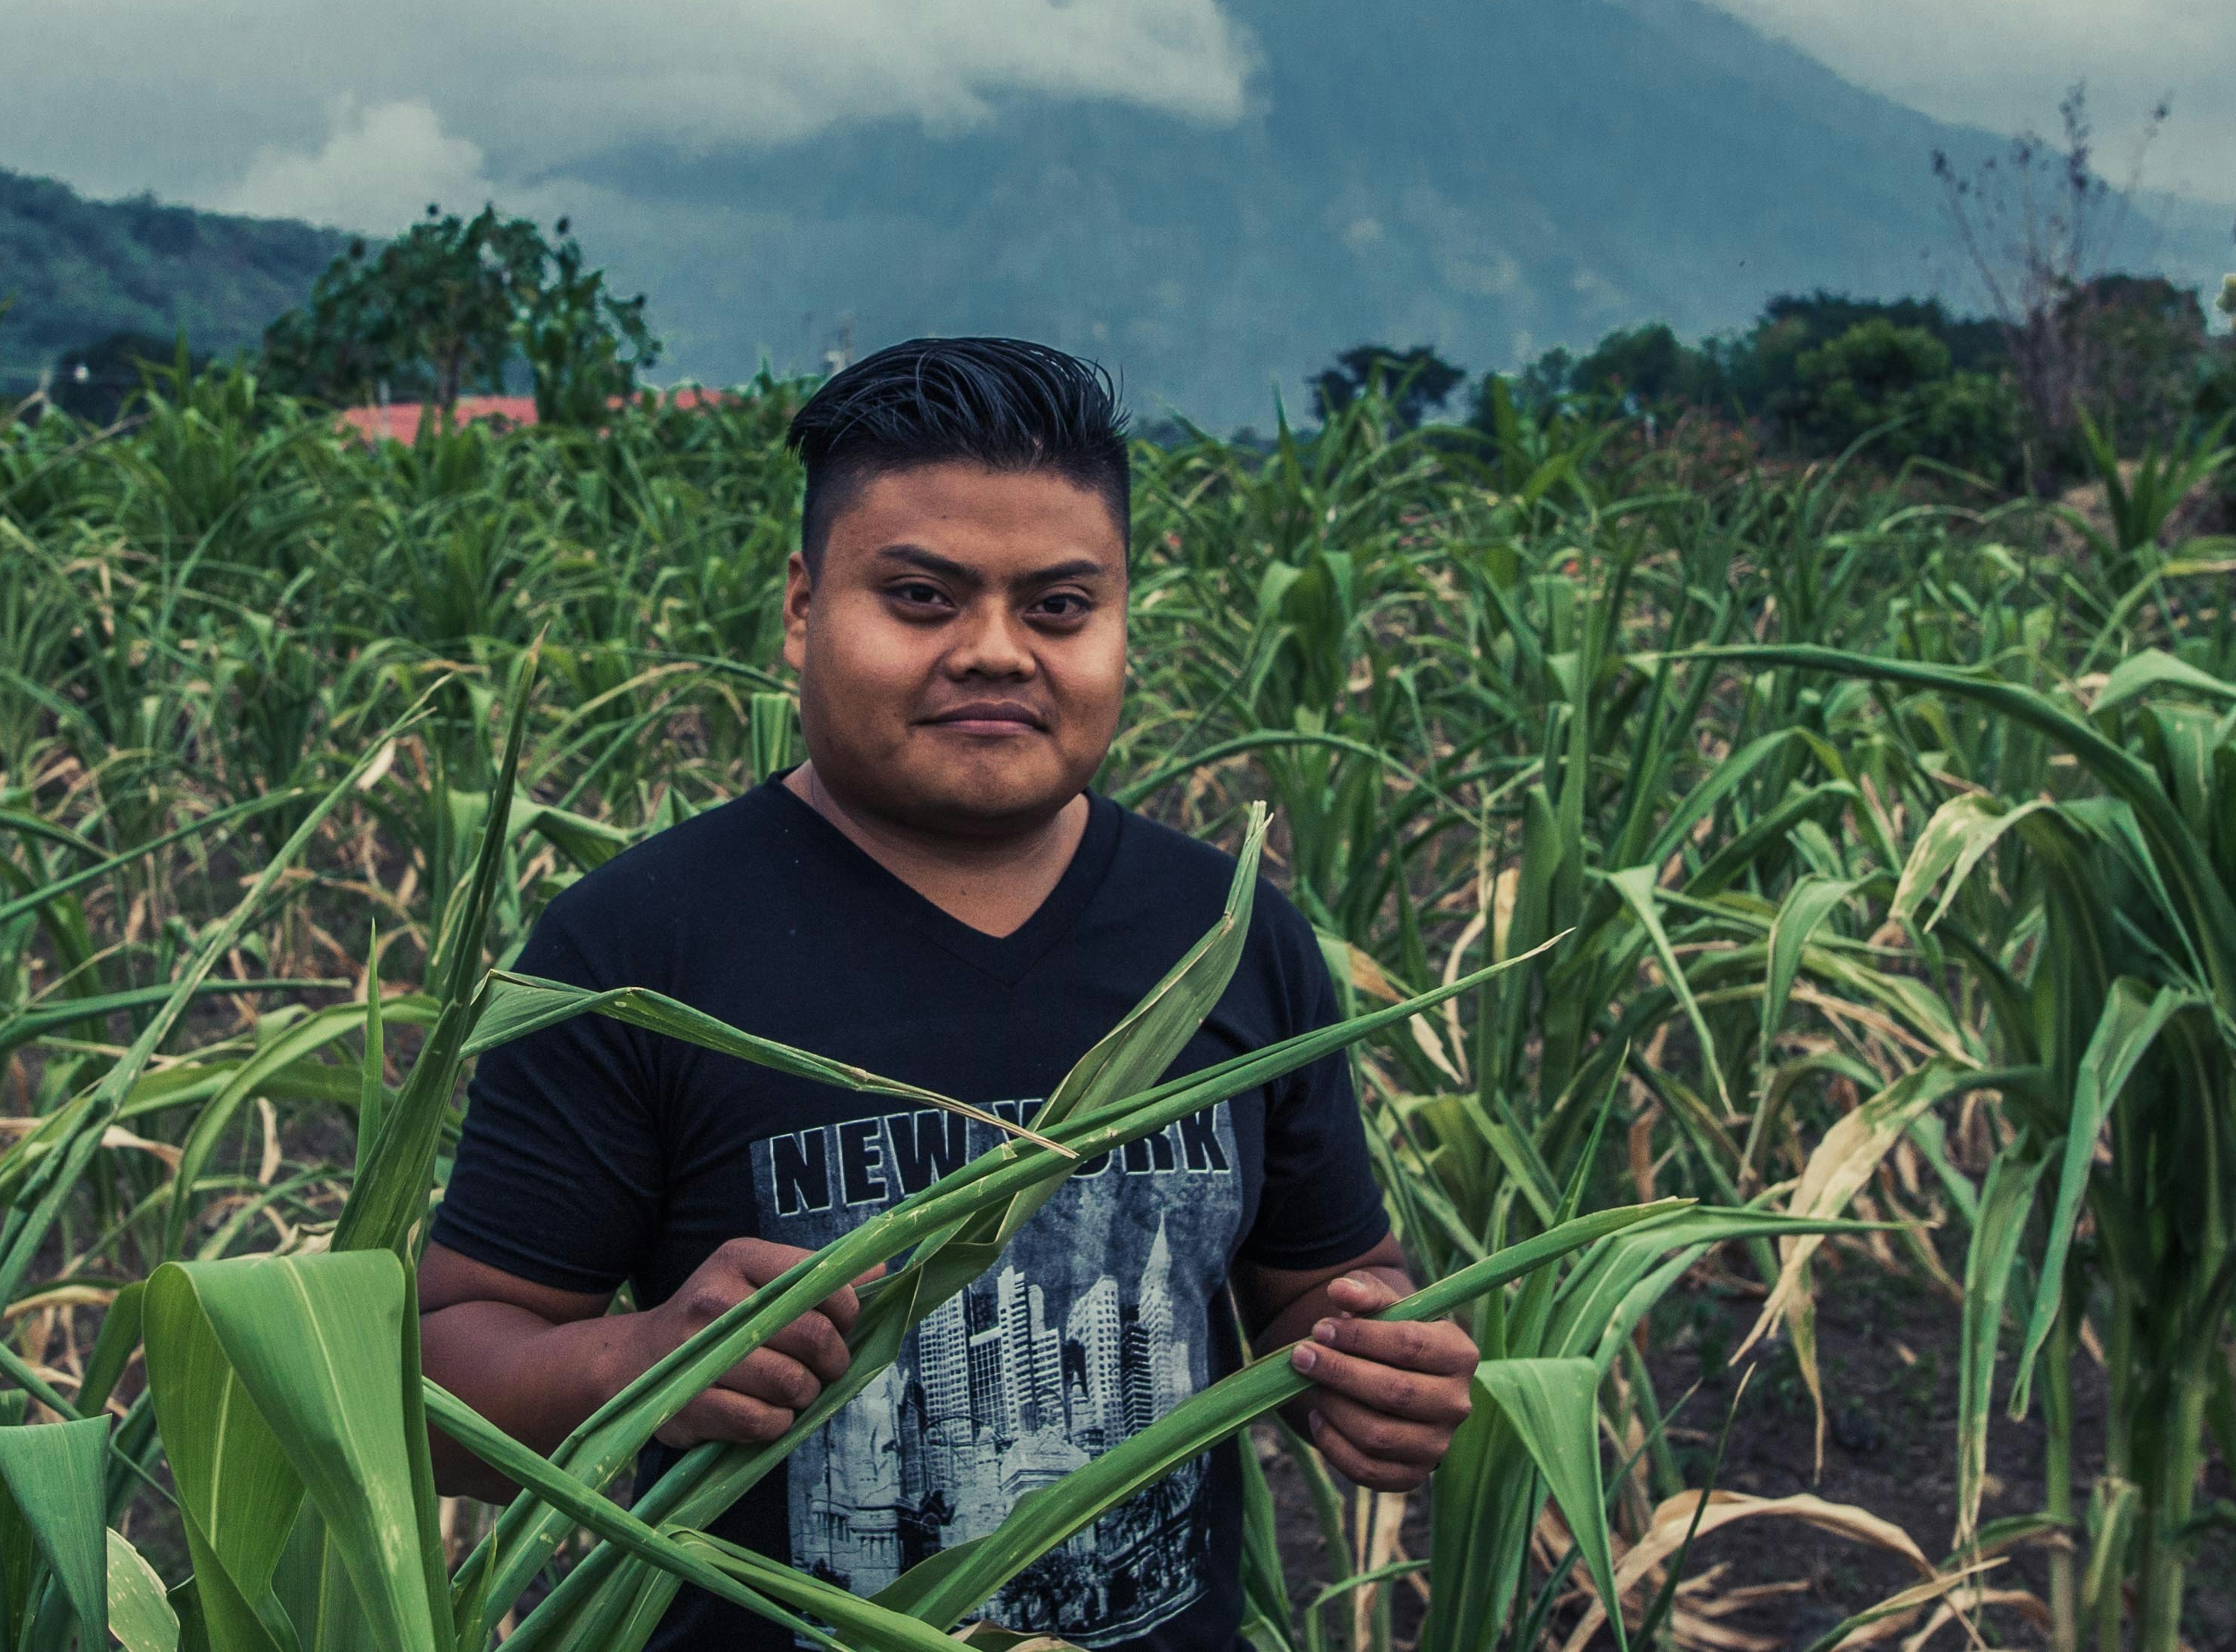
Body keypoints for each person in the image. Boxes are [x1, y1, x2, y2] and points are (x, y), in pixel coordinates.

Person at [422, 336, 1479, 1651]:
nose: (995, 651)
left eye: (1059, 607)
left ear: (1122, 618)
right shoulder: (637, 949)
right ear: (805, 606)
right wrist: (636, 1369)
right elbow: (434, 1381)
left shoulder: (1227, 934)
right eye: (922, 597)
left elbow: (1325, 1289)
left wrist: (1379, 1368)